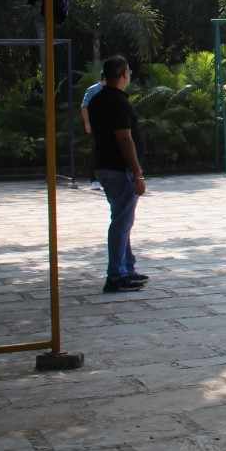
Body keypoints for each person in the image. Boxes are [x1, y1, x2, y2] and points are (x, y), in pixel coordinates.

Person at [88, 55, 149, 293]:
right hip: (118, 167)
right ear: (123, 74)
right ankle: (116, 274)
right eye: (129, 72)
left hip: (104, 165)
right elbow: (124, 137)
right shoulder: (118, 102)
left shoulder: (96, 100)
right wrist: (137, 172)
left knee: (123, 219)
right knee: (121, 222)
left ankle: (127, 268)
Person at [79, 77, 105, 191]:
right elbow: (84, 106)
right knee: (96, 150)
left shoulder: (112, 89)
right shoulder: (93, 89)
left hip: (110, 125)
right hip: (96, 125)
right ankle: (94, 179)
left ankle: (106, 178)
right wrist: (87, 123)